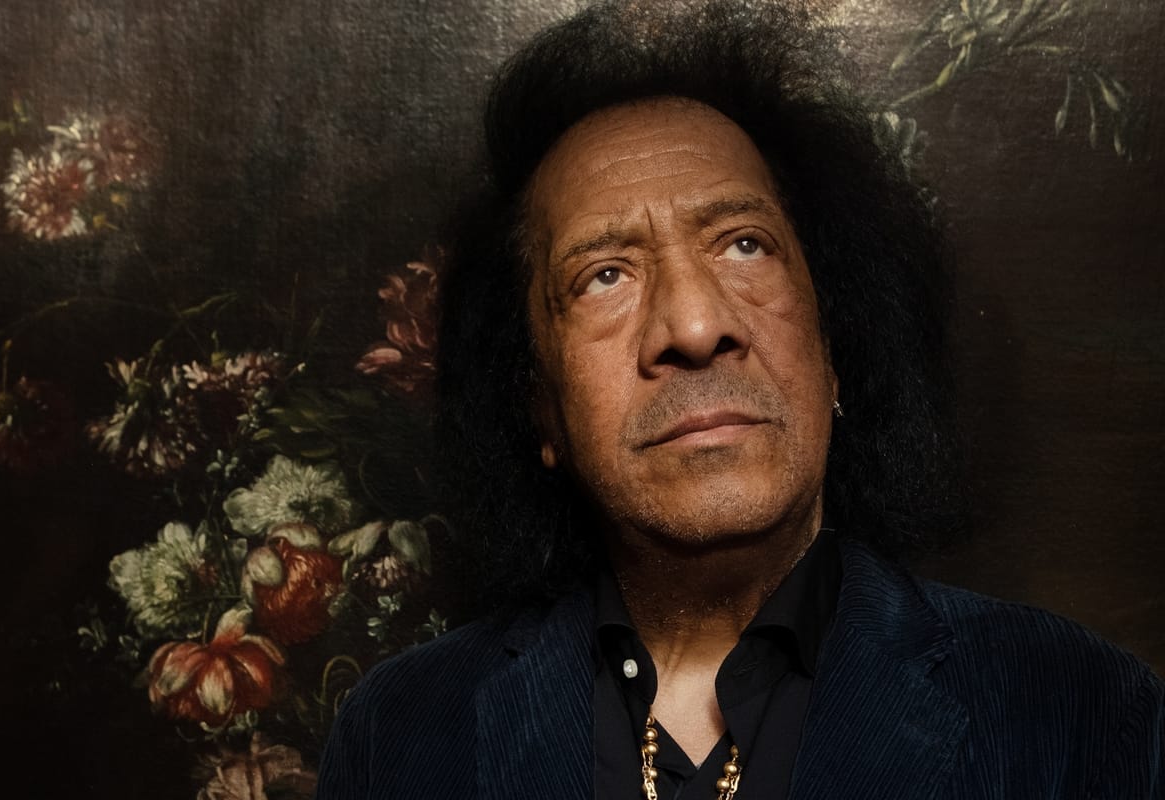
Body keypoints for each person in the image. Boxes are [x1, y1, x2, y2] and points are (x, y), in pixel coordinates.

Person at [316, 1, 1165, 797]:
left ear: (835, 348)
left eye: (744, 244)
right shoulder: (400, 735)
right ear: (539, 404)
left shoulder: (1084, 714)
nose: (694, 326)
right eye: (604, 274)